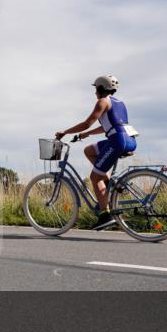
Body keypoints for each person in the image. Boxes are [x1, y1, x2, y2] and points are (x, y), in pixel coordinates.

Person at [55, 75, 137, 230]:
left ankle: (105, 215)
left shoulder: (102, 102)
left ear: (100, 88)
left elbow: (87, 123)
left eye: (95, 89)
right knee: (89, 150)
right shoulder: (119, 103)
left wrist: (65, 132)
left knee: (94, 177)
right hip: (128, 139)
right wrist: (87, 135)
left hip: (117, 141)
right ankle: (107, 183)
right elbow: (110, 125)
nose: (94, 92)